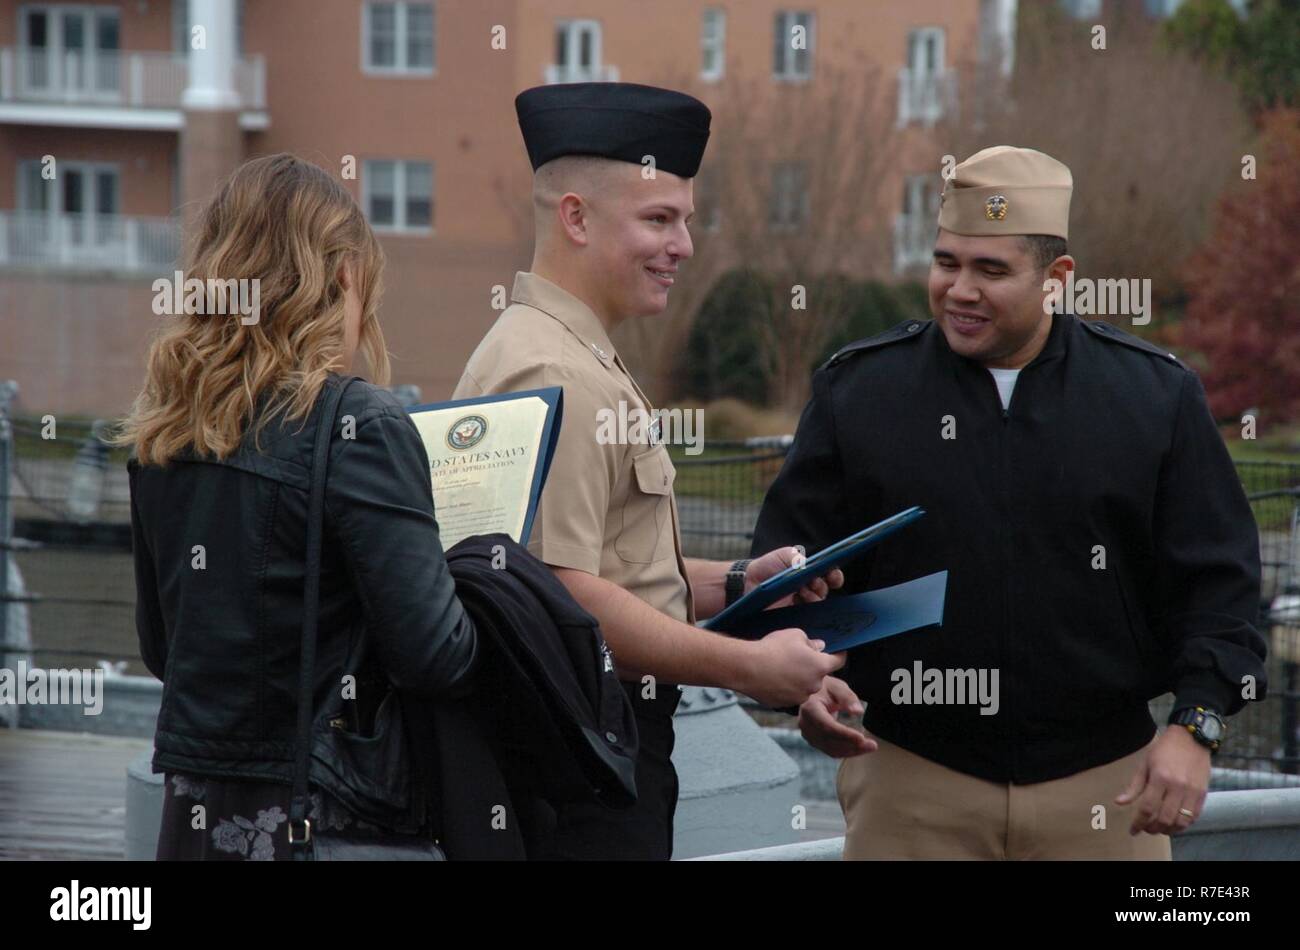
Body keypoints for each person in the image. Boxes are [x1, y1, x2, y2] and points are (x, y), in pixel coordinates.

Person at [752, 146, 1268, 859]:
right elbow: (785, 574)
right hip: (909, 781)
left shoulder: (1154, 399)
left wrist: (1195, 726)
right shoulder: (859, 395)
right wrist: (805, 685)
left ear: (1057, 279)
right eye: (946, 263)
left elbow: (1223, 588)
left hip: (1106, 786)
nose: (959, 289)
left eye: (990, 270)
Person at [454, 82, 845, 860]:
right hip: (577, 766)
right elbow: (561, 591)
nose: (685, 246)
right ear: (575, 217)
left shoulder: (568, 350)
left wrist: (738, 582)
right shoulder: (549, 367)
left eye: (685, 221)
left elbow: (603, 566)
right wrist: (748, 668)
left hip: (586, 751)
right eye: (659, 219)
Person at [115, 153, 477, 859]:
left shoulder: (164, 432)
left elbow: (166, 649)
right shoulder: (359, 426)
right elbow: (437, 656)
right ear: (342, 276)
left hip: (196, 819)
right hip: (323, 821)